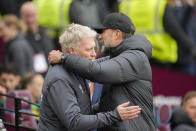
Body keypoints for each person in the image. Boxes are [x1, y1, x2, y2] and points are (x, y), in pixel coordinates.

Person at [48, 13, 156, 131]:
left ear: (116, 34)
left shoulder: (135, 57)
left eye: (102, 32)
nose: (99, 37)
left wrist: (64, 58)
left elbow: (96, 71)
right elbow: (109, 100)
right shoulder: (120, 57)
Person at [20, 2, 54, 74]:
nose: (30, 20)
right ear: (21, 17)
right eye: (27, 16)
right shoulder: (20, 38)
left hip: (48, 75)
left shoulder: (45, 34)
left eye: (32, 15)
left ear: (37, 16)